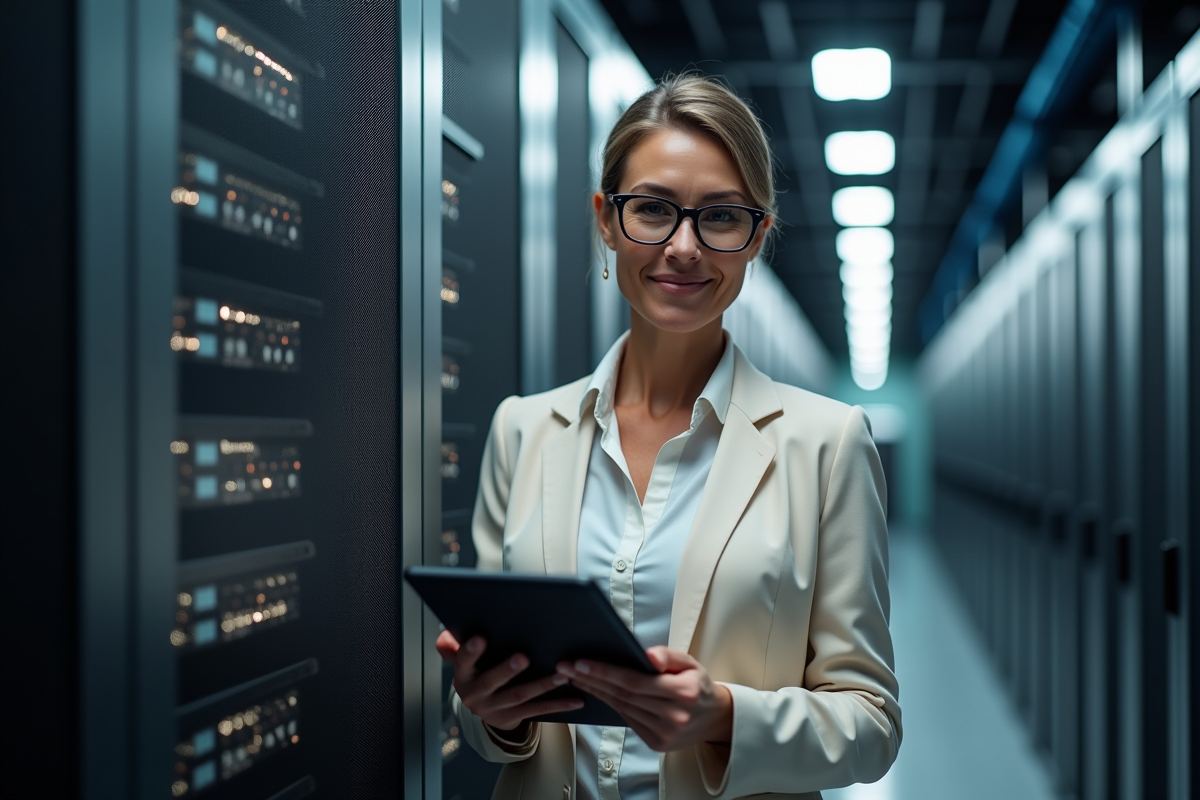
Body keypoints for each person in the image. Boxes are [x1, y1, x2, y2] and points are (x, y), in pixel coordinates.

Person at [436, 74, 901, 800]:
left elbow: (870, 724)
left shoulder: (827, 444)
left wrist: (722, 717)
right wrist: (492, 713)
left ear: (757, 237)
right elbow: (487, 722)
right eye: (651, 209)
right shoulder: (523, 429)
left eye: (720, 218)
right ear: (605, 219)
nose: (683, 247)